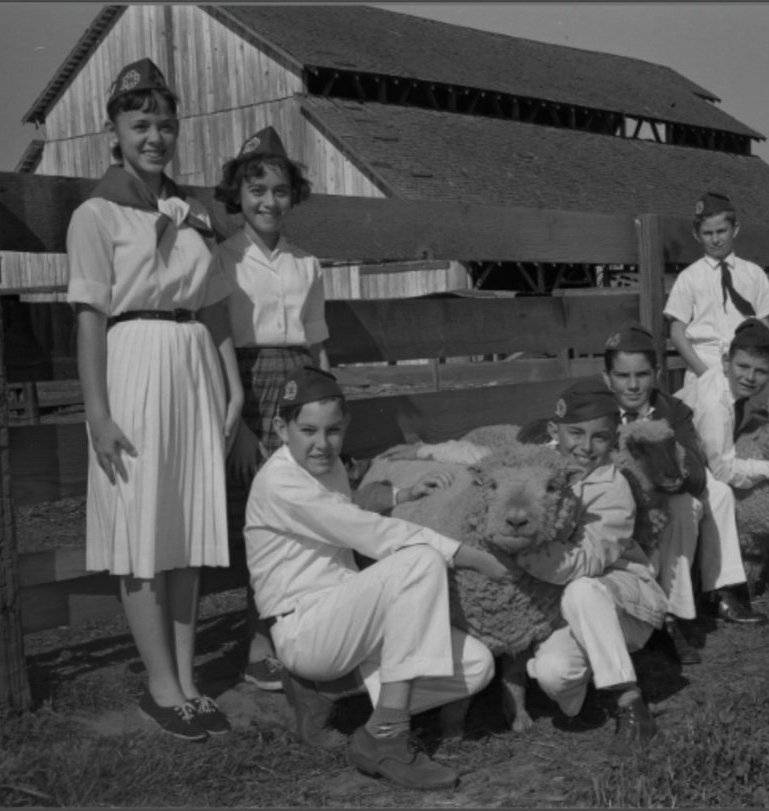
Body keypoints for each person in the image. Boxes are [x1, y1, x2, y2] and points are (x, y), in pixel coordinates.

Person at [66, 58, 241, 742]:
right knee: (143, 532)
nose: (155, 137)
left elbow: (217, 307)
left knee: (187, 529)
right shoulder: (96, 214)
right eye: (141, 124)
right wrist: (98, 414)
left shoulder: (194, 211)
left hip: (193, 365)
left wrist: (229, 388)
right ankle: (160, 686)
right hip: (132, 364)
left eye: (166, 125)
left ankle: (190, 680)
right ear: (114, 131)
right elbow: (88, 320)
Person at [244, 367, 516, 790]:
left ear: (345, 426)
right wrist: (466, 555)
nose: (322, 443)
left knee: (477, 666)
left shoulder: (326, 466)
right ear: (282, 428)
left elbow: (348, 510)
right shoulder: (280, 481)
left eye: (333, 430)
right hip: (306, 629)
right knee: (420, 561)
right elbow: (365, 533)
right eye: (308, 430)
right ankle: (387, 735)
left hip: (349, 619)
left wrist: (401, 495)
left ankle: (332, 690)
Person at [210, 125, 327, 692]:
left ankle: (294, 636)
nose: (269, 202)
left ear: (293, 196)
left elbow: (317, 343)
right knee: (257, 518)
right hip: (246, 386)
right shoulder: (222, 259)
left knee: (297, 514)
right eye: (257, 191)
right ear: (238, 195)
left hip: (298, 384)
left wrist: (325, 405)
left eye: (280, 191)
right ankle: (257, 644)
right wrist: (235, 428)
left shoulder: (307, 263)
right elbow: (218, 343)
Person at [518, 378, 669, 752]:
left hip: (622, 604)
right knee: (554, 673)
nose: (585, 448)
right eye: (575, 434)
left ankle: (630, 702)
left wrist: (517, 550)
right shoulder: (539, 467)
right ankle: (582, 697)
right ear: (554, 431)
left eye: (599, 437)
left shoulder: (612, 488)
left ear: (613, 438)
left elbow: (583, 562)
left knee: (582, 589)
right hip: (566, 610)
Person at [601, 323, 764, 665]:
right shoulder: (593, 410)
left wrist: (675, 476)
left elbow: (692, 462)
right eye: (622, 376)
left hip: (659, 502)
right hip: (610, 506)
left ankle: (672, 617)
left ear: (657, 374)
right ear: (607, 378)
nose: (633, 386)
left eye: (643, 375)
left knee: (686, 503)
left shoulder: (673, 411)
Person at [676, 318, 769, 621]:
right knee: (720, 492)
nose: (750, 377)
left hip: (695, 456)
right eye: (743, 366)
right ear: (726, 362)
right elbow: (721, 468)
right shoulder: (714, 404)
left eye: (760, 371)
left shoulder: (732, 388)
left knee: (722, 491)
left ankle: (721, 586)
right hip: (677, 457)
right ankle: (723, 590)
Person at [664, 191, 769, 389]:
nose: (715, 240)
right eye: (707, 233)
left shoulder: (754, 274)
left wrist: (758, 368)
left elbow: (765, 323)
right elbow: (677, 331)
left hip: (747, 369)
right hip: (703, 364)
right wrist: (704, 374)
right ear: (697, 235)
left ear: (735, 229)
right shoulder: (689, 277)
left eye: (721, 231)